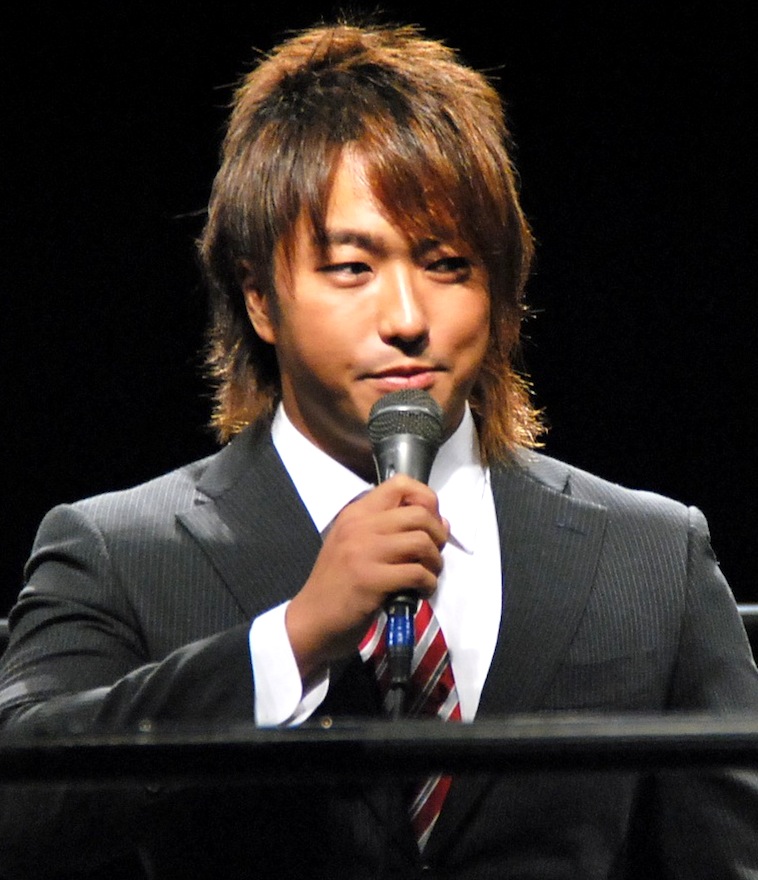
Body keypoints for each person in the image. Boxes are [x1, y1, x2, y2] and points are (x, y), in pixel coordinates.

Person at [1, 19, 757, 880]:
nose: (406, 317)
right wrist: (291, 640)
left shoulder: (651, 556)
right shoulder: (120, 552)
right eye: (353, 268)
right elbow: (18, 809)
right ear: (258, 296)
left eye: (447, 263)